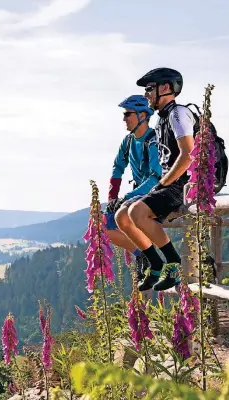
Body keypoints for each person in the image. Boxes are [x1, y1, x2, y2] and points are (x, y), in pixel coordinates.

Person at [115, 68, 195, 291]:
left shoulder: (178, 113)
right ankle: (157, 263)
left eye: (150, 89)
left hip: (187, 182)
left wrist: (162, 184)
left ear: (166, 88)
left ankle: (174, 264)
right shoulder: (163, 119)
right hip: (176, 182)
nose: (147, 94)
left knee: (136, 212)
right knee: (122, 216)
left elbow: (188, 155)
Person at [105, 95, 162, 281]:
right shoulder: (128, 141)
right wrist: (112, 199)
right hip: (136, 195)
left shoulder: (154, 140)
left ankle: (147, 255)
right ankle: (141, 253)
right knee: (102, 225)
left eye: (128, 114)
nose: (124, 118)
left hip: (154, 194)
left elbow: (156, 177)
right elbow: (117, 168)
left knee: (125, 216)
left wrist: (127, 197)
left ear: (142, 115)